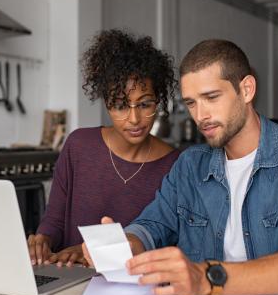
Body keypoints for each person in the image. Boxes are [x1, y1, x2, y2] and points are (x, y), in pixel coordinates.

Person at [84, 39, 278, 295]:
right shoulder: (190, 165)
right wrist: (127, 244)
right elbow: (153, 224)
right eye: (191, 103)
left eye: (211, 97)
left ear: (246, 89)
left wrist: (207, 278)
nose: (200, 115)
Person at [28, 29, 180, 267]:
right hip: (67, 280)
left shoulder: (176, 165)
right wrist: (42, 240)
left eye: (145, 104)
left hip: (132, 288)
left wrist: (90, 251)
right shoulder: (78, 146)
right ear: (106, 104)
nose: (134, 119)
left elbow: (165, 240)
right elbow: (54, 220)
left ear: (158, 101)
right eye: (120, 105)